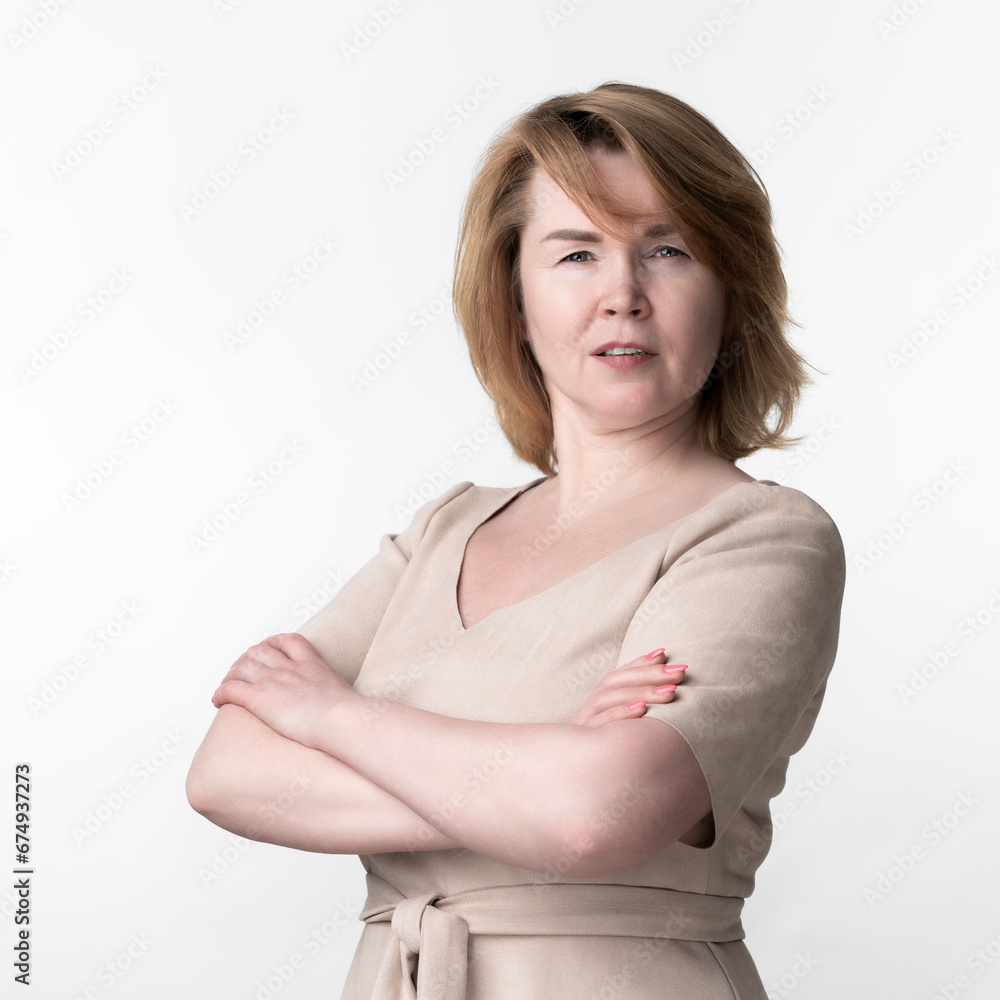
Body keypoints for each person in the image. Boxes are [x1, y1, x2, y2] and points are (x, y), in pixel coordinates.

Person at [186, 81, 846, 999]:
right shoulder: (443, 529)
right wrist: (533, 763)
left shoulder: (765, 538)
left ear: (729, 290)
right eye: (576, 253)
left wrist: (334, 718)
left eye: (667, 249)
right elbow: (227, 772)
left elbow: (593, 814)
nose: (623, 294)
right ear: (515, 294)